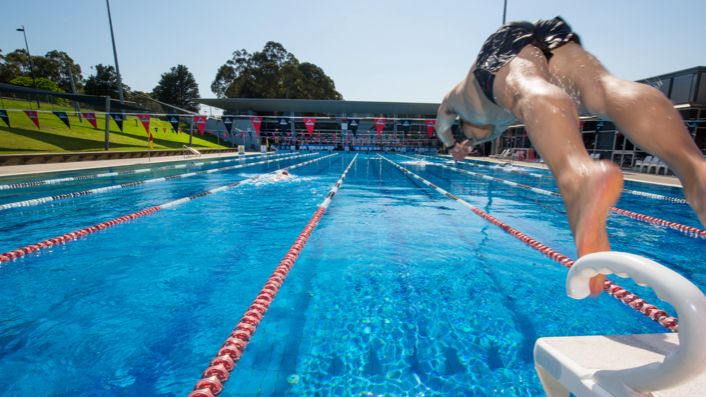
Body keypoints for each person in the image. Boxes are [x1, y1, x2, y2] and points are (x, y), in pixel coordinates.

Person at [435, 16, 706, 296]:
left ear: (463, 123)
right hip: (548, 32)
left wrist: (453, 144)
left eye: (474, 136)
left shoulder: (455, 101)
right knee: (601, 87)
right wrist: (468, 143)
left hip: (504, 43)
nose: (480, 137)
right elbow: (490, 129)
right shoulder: (498, 122)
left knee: (525, 88)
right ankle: (695, 167)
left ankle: (578, 177)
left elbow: (441, 129)